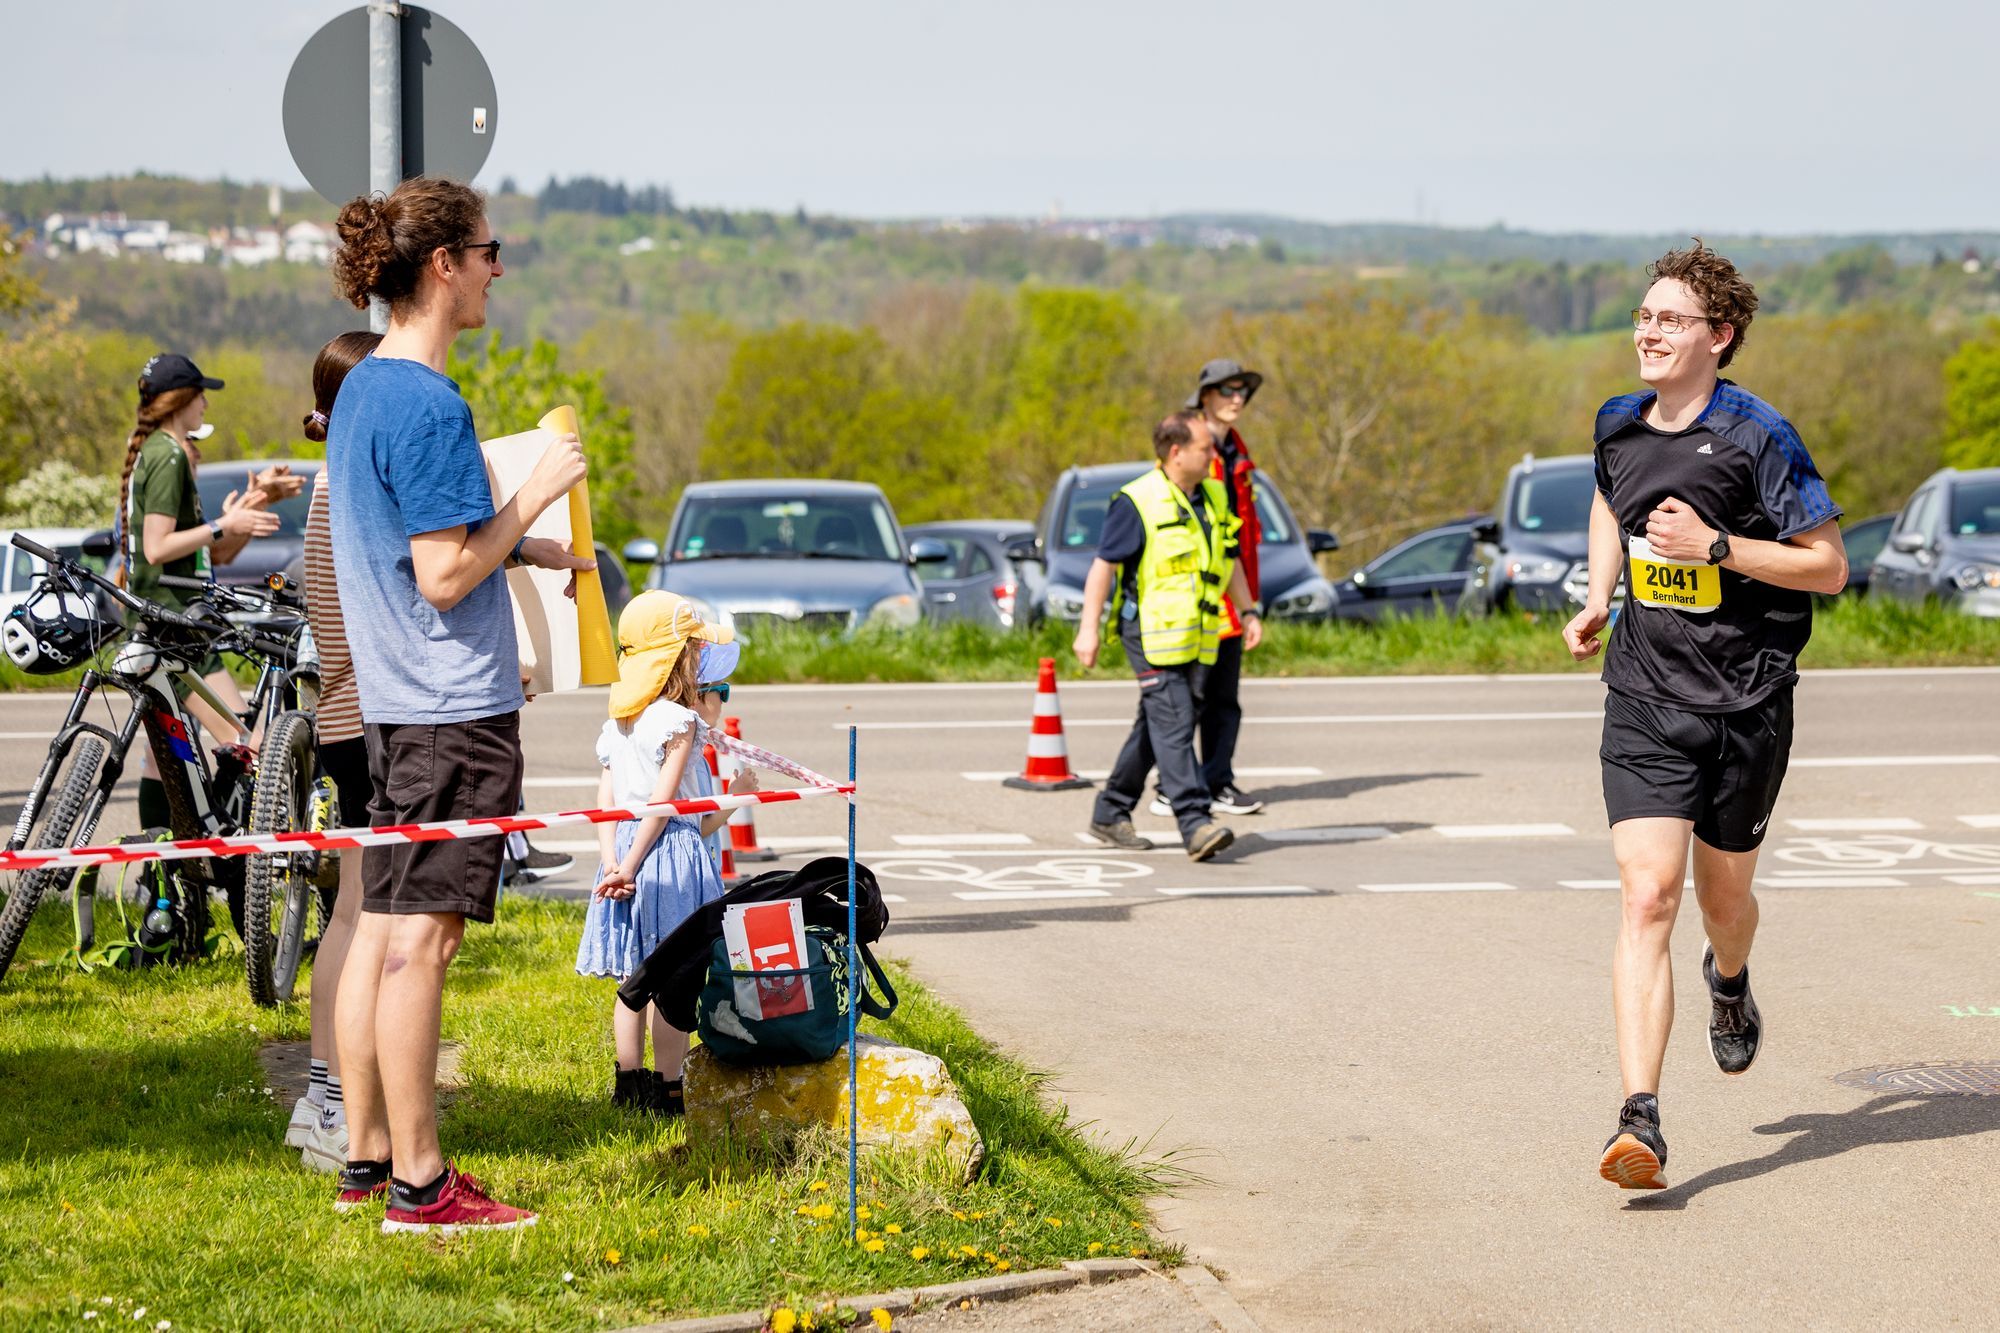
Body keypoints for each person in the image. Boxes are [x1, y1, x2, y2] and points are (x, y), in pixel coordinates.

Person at [325, 176, 594, 1232]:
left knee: (385, 930)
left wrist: (513, 543)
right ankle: (424, 1187)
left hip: (395, 704)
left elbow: (411, 550)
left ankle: (369, 1161)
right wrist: (531, 491)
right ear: (442, 264)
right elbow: (441, 577)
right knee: (421, 946)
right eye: (488, 250)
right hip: (449, 707)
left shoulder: (364, 391)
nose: (496, 268)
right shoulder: (433, 405)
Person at [1563, 241, 1847, 1191]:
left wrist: (1720, 546)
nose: (1648, 331)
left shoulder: (1761, 436)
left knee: (1725, 905)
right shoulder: (1616, 422)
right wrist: (1601, 594)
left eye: (1671, 319)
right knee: (1647, 894)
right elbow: (1612, 502)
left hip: (1747, 700)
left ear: (1719, 337)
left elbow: (1827, 566)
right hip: (1644, 694)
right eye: (1643, 316)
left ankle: (1729, 980)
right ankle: (1637, 1115)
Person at [576, 591, 754, 1115]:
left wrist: (614, 860)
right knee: (674, 982)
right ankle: (669, 1088)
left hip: (625, 844)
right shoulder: (680, 723)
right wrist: (632, 867)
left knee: (633, 977)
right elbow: (668, 804)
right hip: (668, 854)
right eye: (696, 648)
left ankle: (627, 1084)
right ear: (679, 657)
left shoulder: (620, 723)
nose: (701, 657)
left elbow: (607, 800)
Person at [115, 354, 300, 828]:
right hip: (175, 621)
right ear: (181, 400)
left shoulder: (163, 451)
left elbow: (213, 556)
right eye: (200, 395)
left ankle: (169, 873)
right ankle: (229, 852)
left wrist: (253, 505)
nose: (204, 405)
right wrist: (225, 522)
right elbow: (157, 547)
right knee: (244, 740)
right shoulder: (170, 454)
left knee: (165, 757)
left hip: (172, 620)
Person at [1074, 412, 1261, 863]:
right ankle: (1195, 823)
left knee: (1157, 724)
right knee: (1174, 721)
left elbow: (1228, 557)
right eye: (1204, 449)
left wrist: (1249, 608)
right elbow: (1104, 567)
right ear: (1176, 453)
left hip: (1197, 635)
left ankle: (1110, 810)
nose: (1213, 456)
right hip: (1149, 635)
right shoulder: (1137, 500)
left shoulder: (1215, 494)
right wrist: (1088, 628)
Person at [284, 330, 381, 1172]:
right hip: (362, 716)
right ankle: (333, 1105)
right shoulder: (344, 483)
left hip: (345, 715)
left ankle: (324, 1097)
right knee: (359, 914)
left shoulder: (327, 481)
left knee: (349, 912)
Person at [1152, 359, 1267, 819]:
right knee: (1189, 697)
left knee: (1224, 698)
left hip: (1232, 591)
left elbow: (1240, 535)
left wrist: (1248, 603)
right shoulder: (1193, 448)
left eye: (1243, 391)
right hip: (1196, 596)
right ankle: (1172, 785)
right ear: (1205, 396)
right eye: (1227, 390)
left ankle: (1218, 780)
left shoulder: (1235, 449)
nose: (1237, 398)